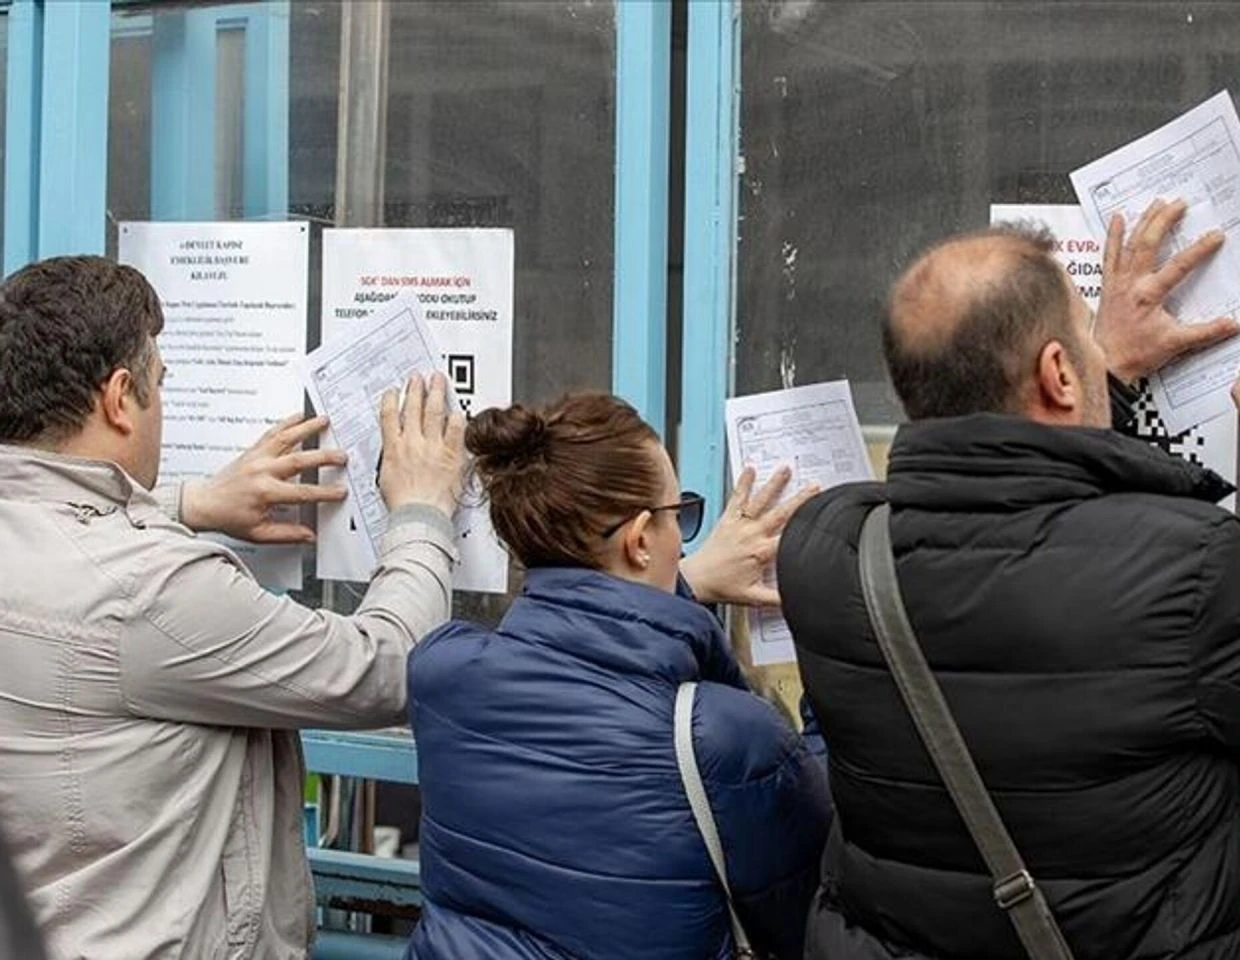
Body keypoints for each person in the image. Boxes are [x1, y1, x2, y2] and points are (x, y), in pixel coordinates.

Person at [776, 198, 1240, 960]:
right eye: (1085, 333)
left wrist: (1094, 370)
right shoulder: (1197, 566)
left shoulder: (826, 551)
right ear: (1056, 373)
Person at [0, 255, 467, 960]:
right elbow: (389, 669)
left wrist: (191, 502)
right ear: (120, 398)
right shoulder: (152, 587)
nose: (163, 399)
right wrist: (424, 511)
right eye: (160, 383)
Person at [404, 392, 833, 960]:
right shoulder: (725, 738)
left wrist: (683, 592)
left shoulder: (442, 672)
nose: (684, 537)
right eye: (680, 516)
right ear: (638, 539)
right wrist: (834, 659)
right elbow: (815, 904)